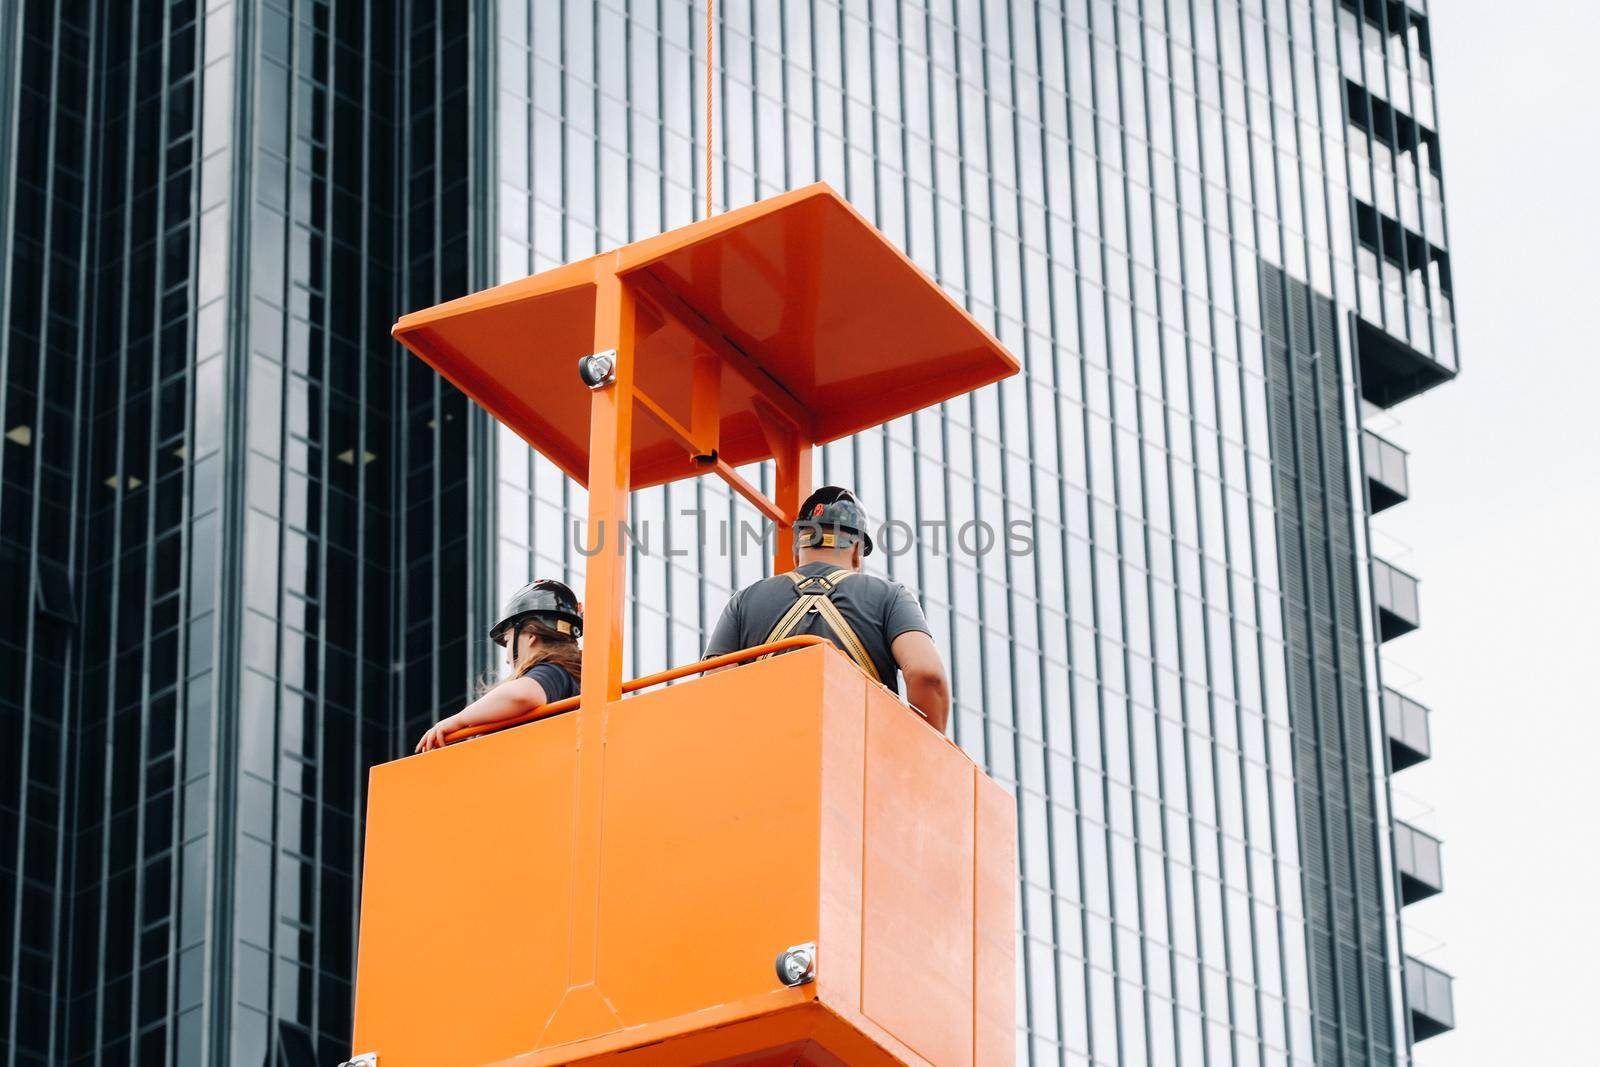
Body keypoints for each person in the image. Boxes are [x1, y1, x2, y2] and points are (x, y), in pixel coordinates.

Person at [703, 486, 951, 732]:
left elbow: (715, 683)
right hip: (859, 754)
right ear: (856, 552)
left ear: (796, 551)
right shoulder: (891, 597)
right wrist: (923, 755)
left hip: (766, 755)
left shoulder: (744, 600)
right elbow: (927, 674)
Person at [415, 579, 584, 752]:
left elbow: (522, 694)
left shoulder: (554, 672)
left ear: (531, 634)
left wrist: (457, 720)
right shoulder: (574, 677)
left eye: (509, 640)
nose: (507, 659)